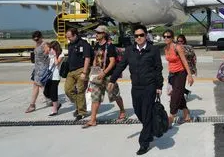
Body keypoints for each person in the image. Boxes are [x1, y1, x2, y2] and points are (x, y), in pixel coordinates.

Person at [108, 25, 163, 155]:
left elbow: (158, 69)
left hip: (149, 86)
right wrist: (112, 80)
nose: (139, 38)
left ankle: (144, 143)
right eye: (136, 36)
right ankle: (149, 130)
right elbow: (120, 66)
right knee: (139, 112)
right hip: (136, 87)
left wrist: (159, 86)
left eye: (141, 35)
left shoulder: (153, 50)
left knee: (147, 112)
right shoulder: (129, 51)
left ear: (146, 35)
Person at [82, 25, 126, 128]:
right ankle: (93, 120)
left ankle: (122, 110)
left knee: (115, 95)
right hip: (97, 76)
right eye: (96, 33)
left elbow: (112, 62)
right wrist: (93, 69)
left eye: (98, 33)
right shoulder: (96, 45)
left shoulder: (110, 46)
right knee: (95, 97)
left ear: (104, 34)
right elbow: (95, 58)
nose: (96, 35)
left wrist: (104, 73)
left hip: (108, 77)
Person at [163, 29, 194, 127]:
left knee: (175, 96)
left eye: (168, 36)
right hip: (172, 74)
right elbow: (170, 62)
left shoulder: (177, 47)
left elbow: (184, 61)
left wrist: (189, 75)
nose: (166, 38)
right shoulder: (165, 48)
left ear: (172, 38)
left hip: (181, 73)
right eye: (164, 36)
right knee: (179, 95)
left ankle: (171, 117)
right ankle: (186, 114)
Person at [64, 28, 92, 121]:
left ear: (75, 35)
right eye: (67, 37)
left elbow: (87, 58)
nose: (68, 39)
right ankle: (79, 105)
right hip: (71, 71)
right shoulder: (70, 45)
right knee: (68, 90)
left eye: (70, 37)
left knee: (80, 91)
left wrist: (84, 72)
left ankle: (81, 112)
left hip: (81, 70)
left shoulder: (84, 44)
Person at [25, 31, 49, 113]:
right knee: (40, 85)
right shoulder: (38, 44)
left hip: (42, 68)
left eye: (37, 39)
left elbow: (48, 55)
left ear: (41, 37)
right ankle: (50, 99)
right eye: (35, 39)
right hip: (37, 68)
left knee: (38, 85)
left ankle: (32, 105)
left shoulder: (44, 44)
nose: (36, 40)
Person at [44, 41, 64, 116]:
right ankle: (57, 104)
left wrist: (54, 55)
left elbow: (56, 63)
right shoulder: (50, 54)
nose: (51, 49)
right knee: (46, 92)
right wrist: (47, 50)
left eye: (52, 48)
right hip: (49, 75)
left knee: (53, 93)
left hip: (56, 76)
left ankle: (54, 110)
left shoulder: (61, 55)